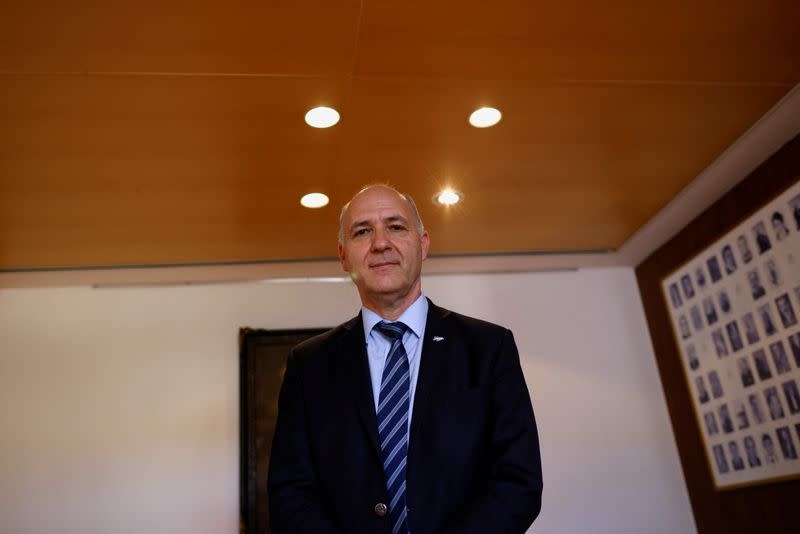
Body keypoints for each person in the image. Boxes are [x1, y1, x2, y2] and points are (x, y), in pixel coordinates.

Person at [268, 185, 543, 534]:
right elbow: (290, 494)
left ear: (424, 243)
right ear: (343, 256)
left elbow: (518, 481)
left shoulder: (489, 347)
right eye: (362, 231)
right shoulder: (308, 365)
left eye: (396, 227)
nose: (380, 242)